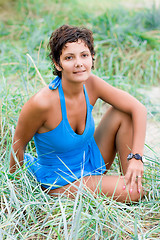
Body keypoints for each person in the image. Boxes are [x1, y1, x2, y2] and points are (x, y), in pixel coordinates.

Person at [10, 25, 147, 202]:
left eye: (84, 55)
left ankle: (130, 178)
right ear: (57, 64)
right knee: (135, 193)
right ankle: (128, 189)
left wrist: (136, 158)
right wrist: (16, 194)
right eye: (69, 57)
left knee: (124, 113)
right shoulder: (41, 104)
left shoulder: (91, 84)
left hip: (90, 160)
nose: (79, 63)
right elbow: (17, 146)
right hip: (61, 181)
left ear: (91, 58)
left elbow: (139, 109)